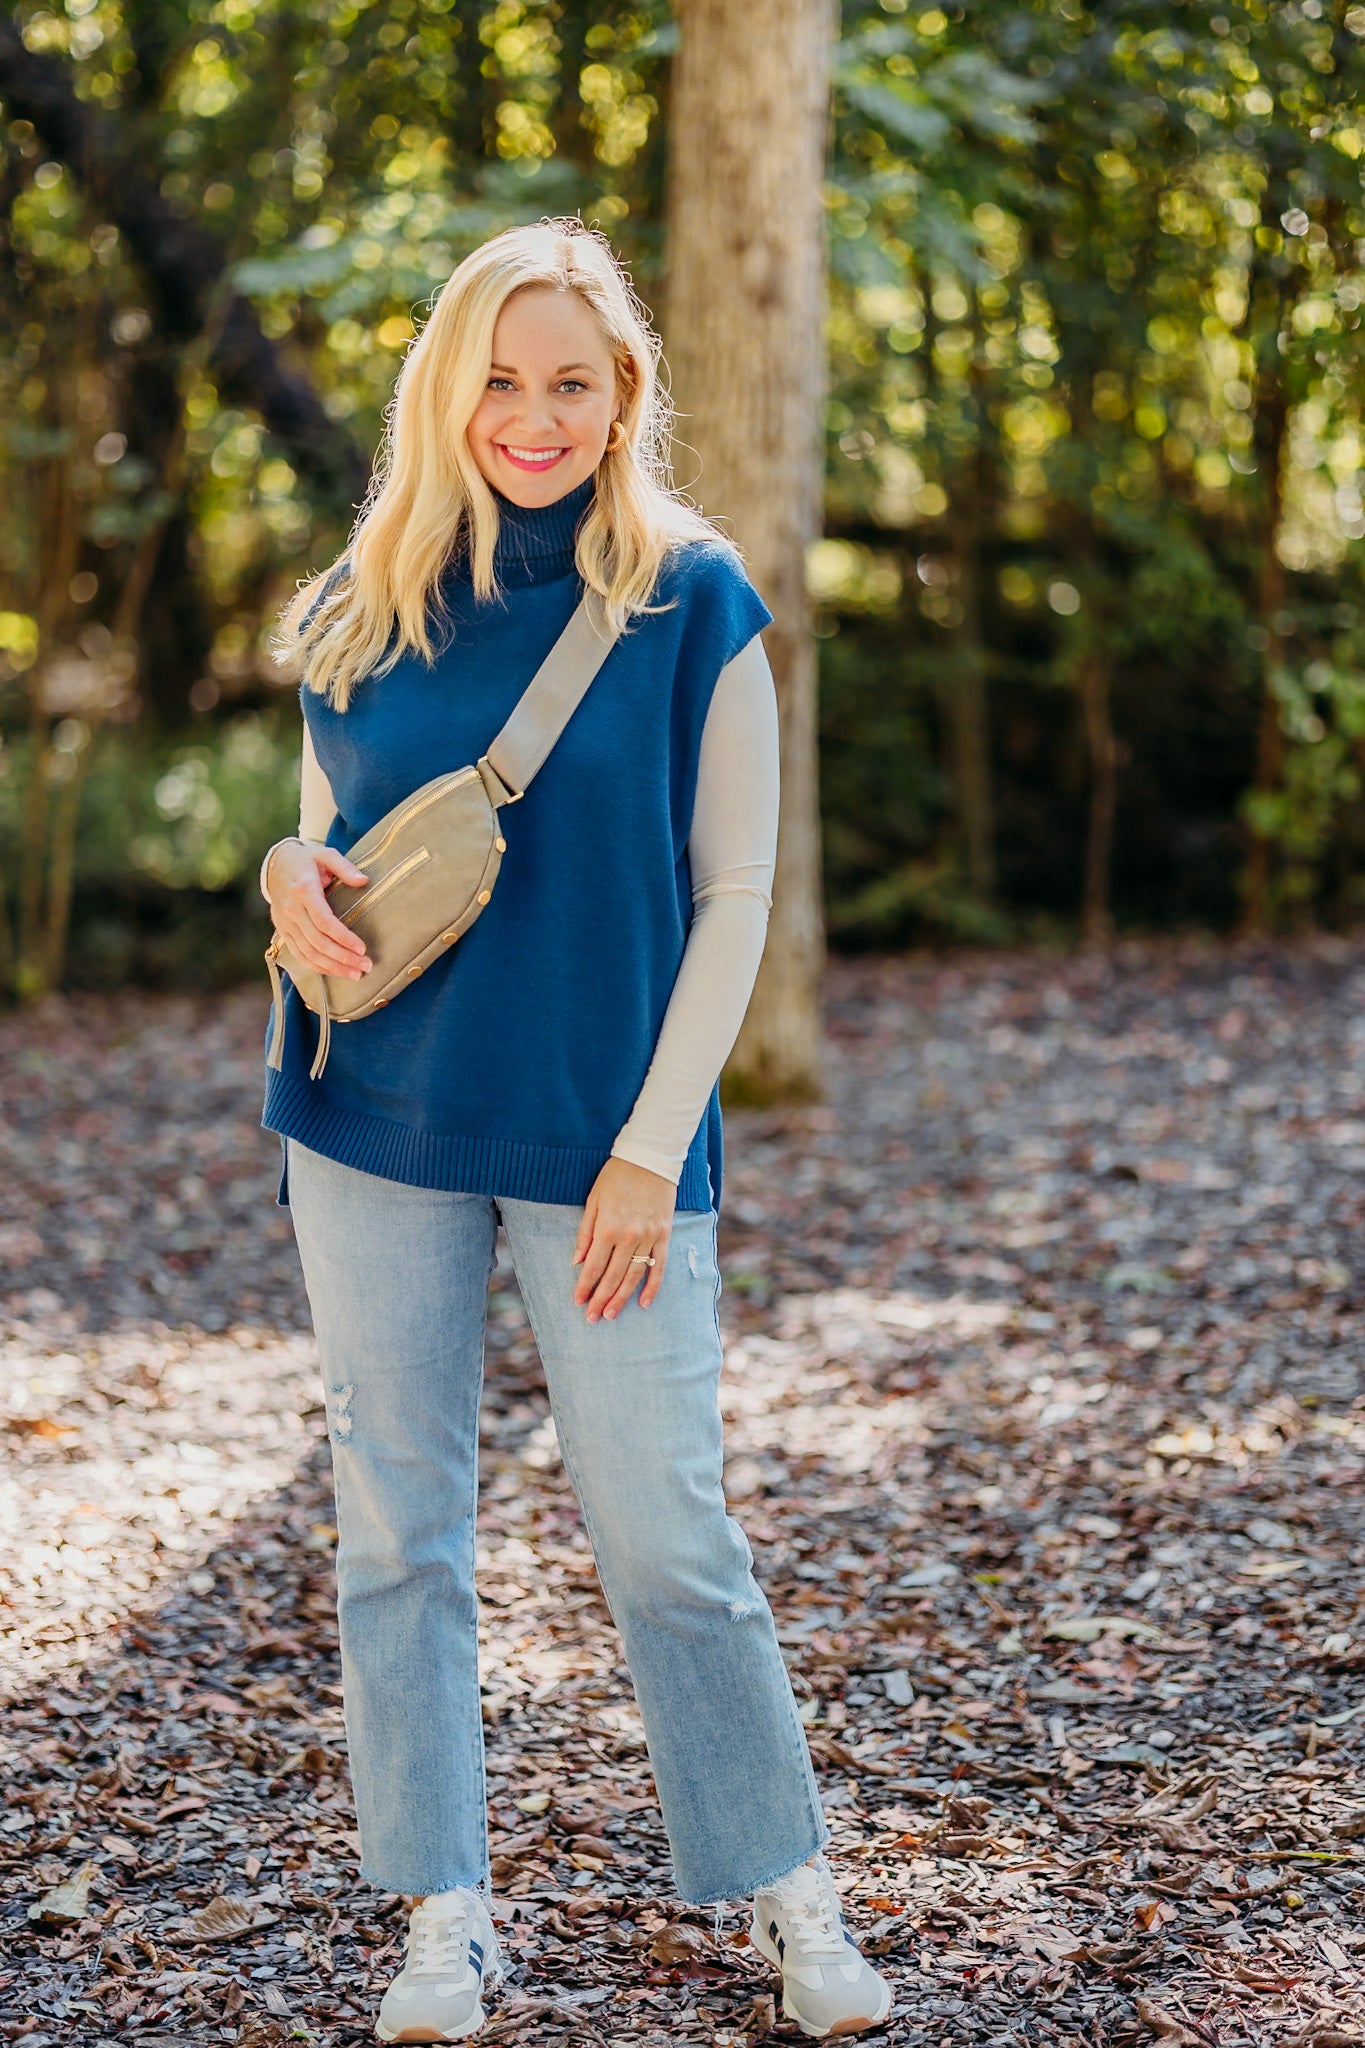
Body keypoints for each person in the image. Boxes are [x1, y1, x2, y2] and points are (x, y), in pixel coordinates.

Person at [258, 217, 892, 2044]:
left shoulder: (694, 601)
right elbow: (334, 859)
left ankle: (791, 1893)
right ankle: (442, 1915)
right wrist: (286, 879)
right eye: (501, 380)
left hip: (608, 1142)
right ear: (447, 392)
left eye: (571, 381)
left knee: (666, 1533)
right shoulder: (360, 608)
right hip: (369, 1116)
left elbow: (740, 894)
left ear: (624, 399)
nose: (533, 415)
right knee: (398, 1530)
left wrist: (649, 1146)